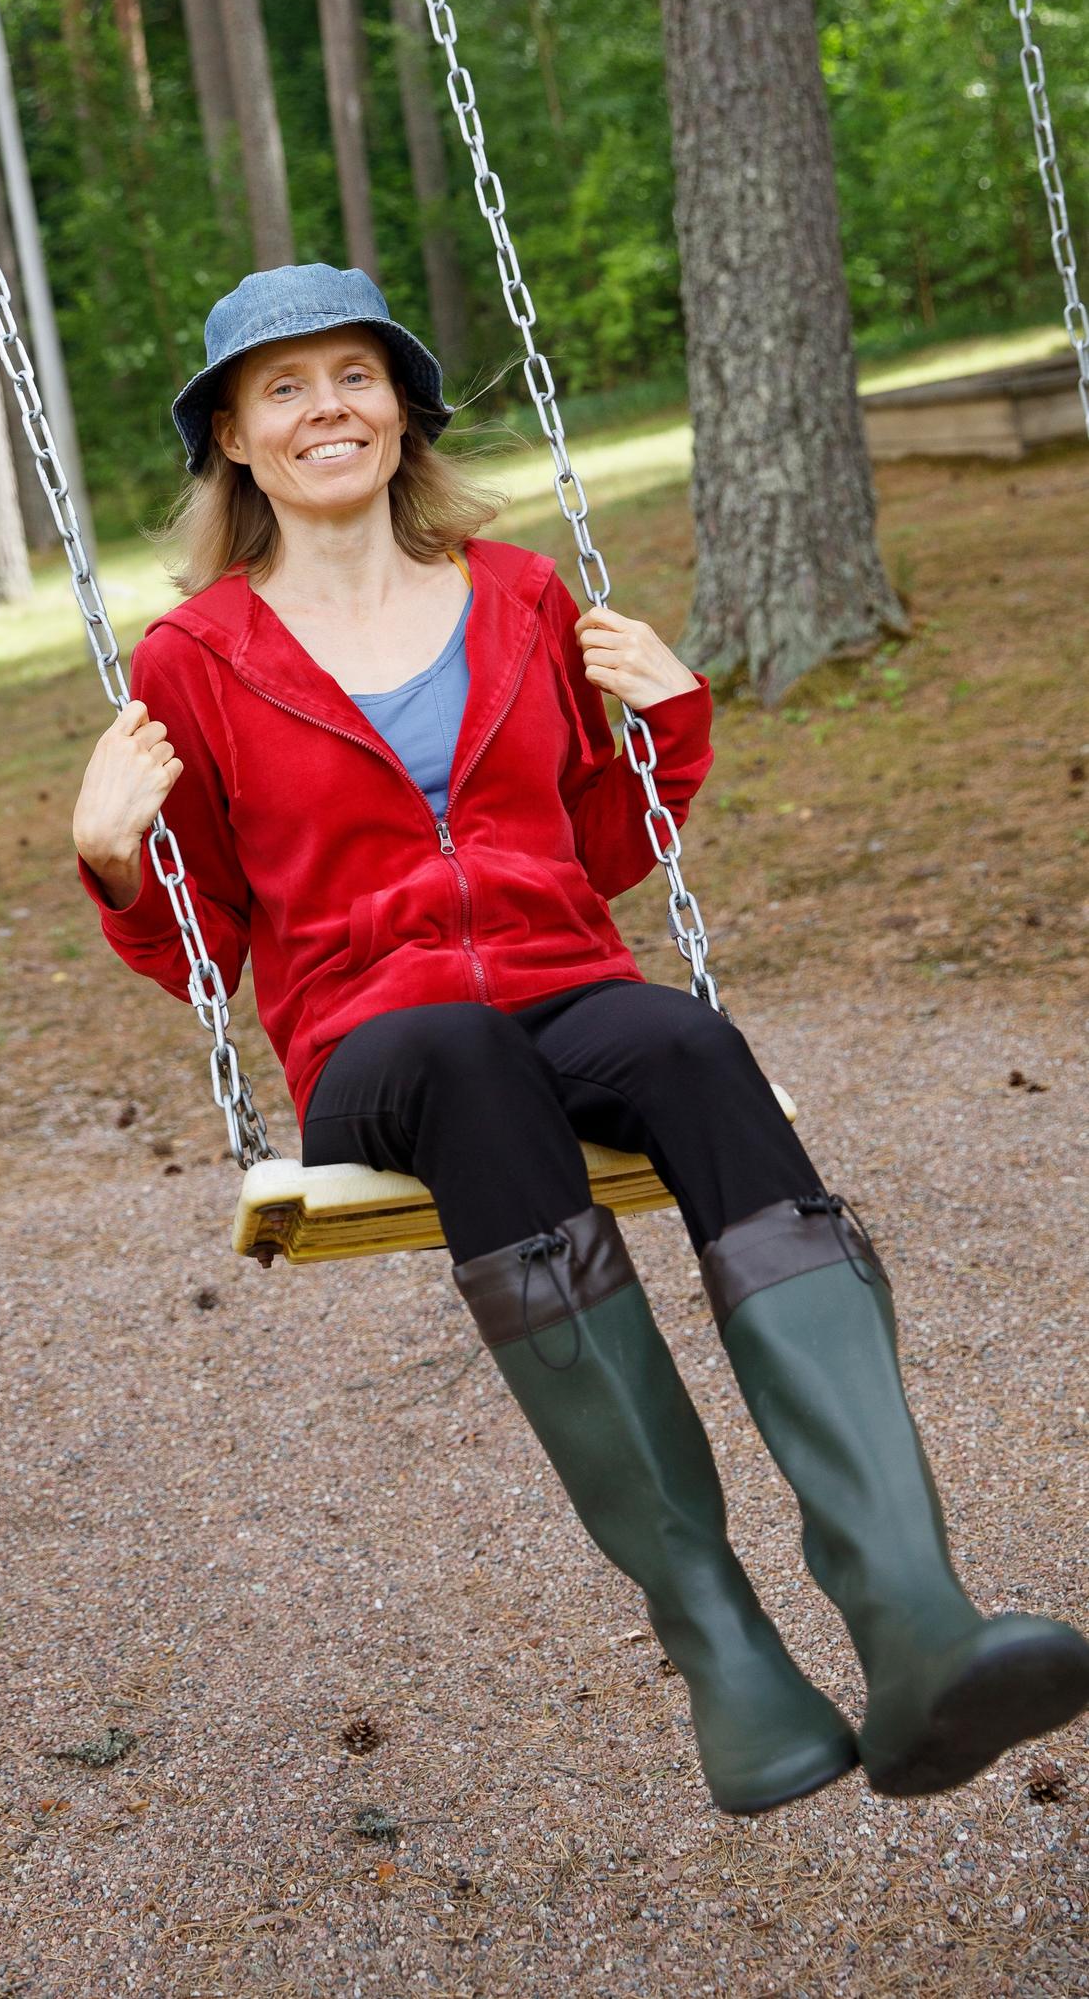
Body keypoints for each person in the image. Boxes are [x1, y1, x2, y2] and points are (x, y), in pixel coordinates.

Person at [70, 262, 1089, 1816]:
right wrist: (105, 856)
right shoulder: (191, 659)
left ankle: (911, 1615)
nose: (323, 407)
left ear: (403, 409)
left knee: (682, 1043)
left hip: (564, 980)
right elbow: (199, 947)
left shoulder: (519, 594)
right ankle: (724, 1650)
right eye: (280, 388)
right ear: (231, 438)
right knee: (466, 1065)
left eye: (353, 373)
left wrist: (670, 717)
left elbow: (604, 852)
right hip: (381, 1045)